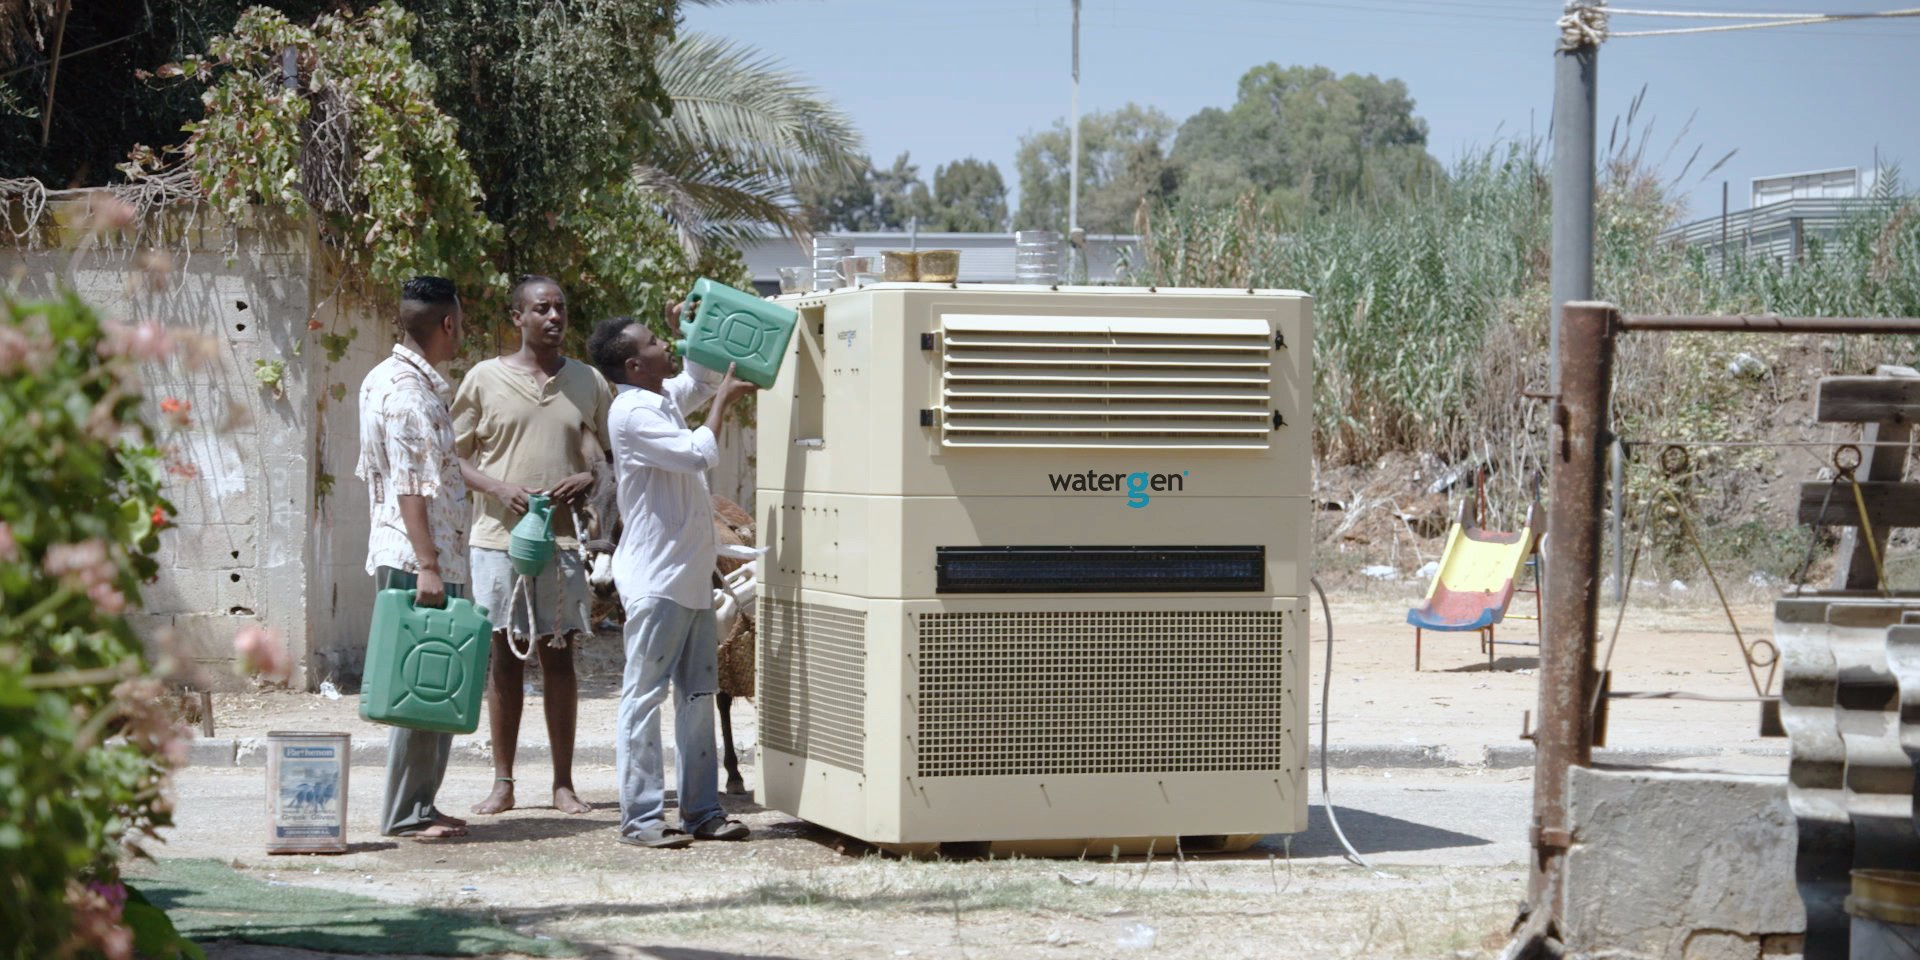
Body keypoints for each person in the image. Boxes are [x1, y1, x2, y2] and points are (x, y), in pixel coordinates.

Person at [586, 309, 756, 848]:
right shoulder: (632, 414)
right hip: (658, 581)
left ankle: (702, 812)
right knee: (643, 699)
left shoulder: (657, 400)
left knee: (698, 695)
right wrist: (724, 402)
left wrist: (695, 330)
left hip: (689, 578)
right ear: (634, 366)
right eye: (656, 342)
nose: (665, 346)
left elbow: (697, 379)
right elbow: (697, 453)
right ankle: (640, 820)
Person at [454, 276, 612, 816]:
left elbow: (611, 456)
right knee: (503, 660)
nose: (554, 317)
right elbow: (452, 456)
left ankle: (563, 784)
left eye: (560, 308)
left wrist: (588, 478)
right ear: (517, 317)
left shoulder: (587, 381)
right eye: (541, 308)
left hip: (563, 543)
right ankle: (503, 782)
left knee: (560, 658)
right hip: (498, 543)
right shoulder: (483, 379)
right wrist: (499, 488)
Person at [354, 275, 473, 841]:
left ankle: (420, 804)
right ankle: (407, 813)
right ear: (448, 323)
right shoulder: (408, 393)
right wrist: (429, 566)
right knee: (422, 687)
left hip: (423, 554)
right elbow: (409, 486)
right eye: (460, 322)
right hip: (420, 559)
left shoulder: (386, 377)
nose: (462, 331)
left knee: (433, 684)